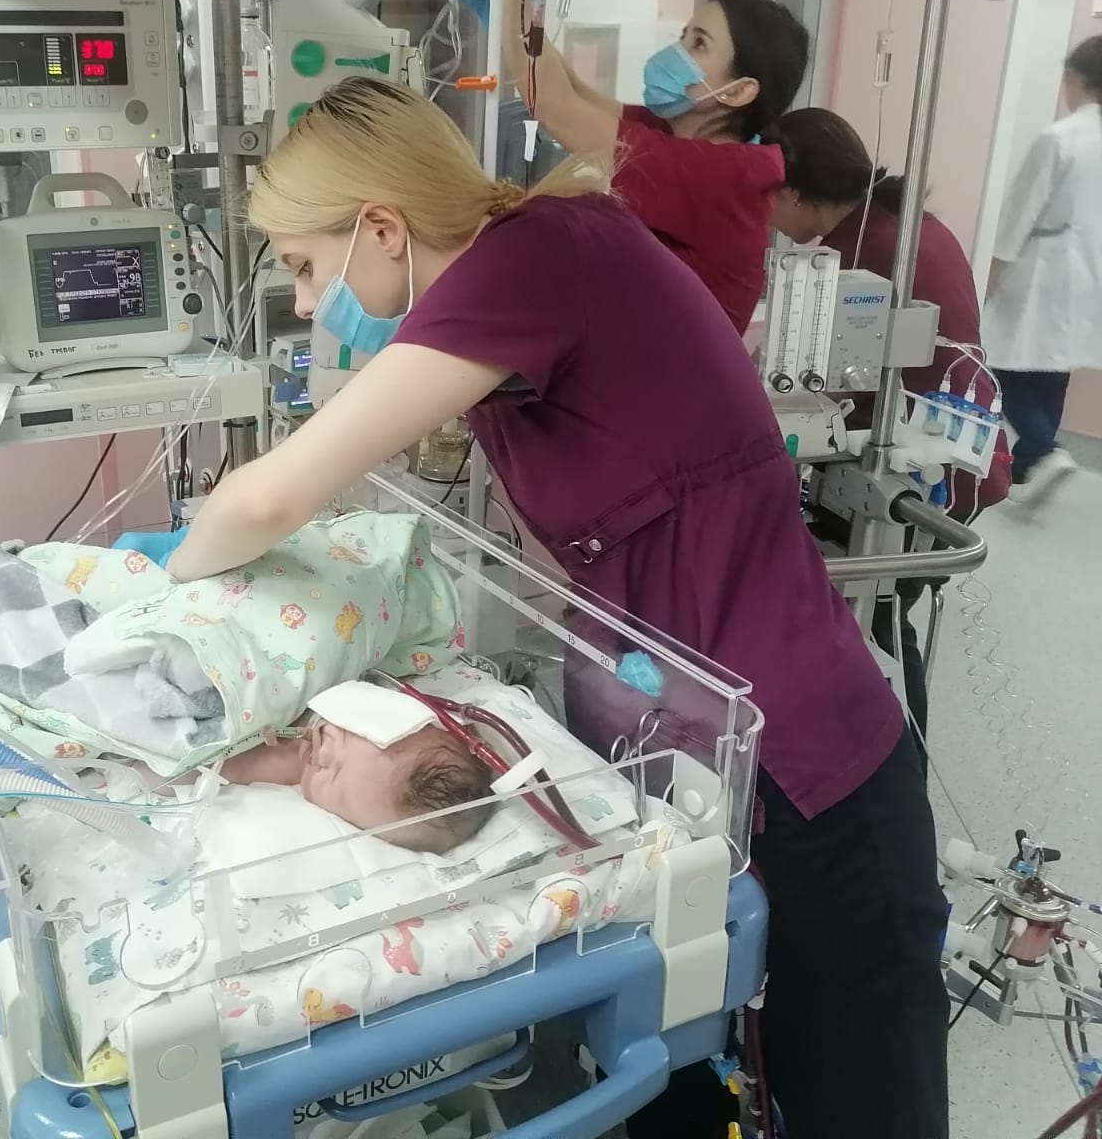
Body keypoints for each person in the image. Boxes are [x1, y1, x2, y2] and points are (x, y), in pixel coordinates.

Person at [116, 76, 946, 1138]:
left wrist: (161, 599)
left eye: (305, 267)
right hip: (679, 739)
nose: (307, 303)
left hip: (799, 759)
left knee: (858, 1096)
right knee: (700, 1073)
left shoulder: (536, 257)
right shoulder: (522, 285)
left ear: (382, 228)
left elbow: (270, 496)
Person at [765, 106, 1012, 751]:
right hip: (960, 453)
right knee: (884, 623)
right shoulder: (904, 223)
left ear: (795, 192)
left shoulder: (863, 253)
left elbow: (836, 381)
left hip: (912, 472)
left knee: (874, 629)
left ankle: (888, 764)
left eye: (766, 196)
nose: (766, 215)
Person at [461, 0, 808, 334]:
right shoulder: (676, 133)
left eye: (698, 44)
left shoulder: (720, 177)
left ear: (738, 91)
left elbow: (553, 104)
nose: (676, 50)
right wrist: (505, 13)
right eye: (684, 35)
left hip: (669, 369)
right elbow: (574, 92)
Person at [981, 35, 1102, 507]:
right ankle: (1030, 466)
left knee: (998, 363)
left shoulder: (1061, 137)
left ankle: (1044, 450)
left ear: (1073, 78)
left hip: (1043, 267)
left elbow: (1020, 211)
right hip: (1087, 271)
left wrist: (994, 273)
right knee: (1053, 366)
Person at [222, 711, 496, 853]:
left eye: (334, 781)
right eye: (342, 737)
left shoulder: (286, 765)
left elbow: (214, 765)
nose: (323, 754)